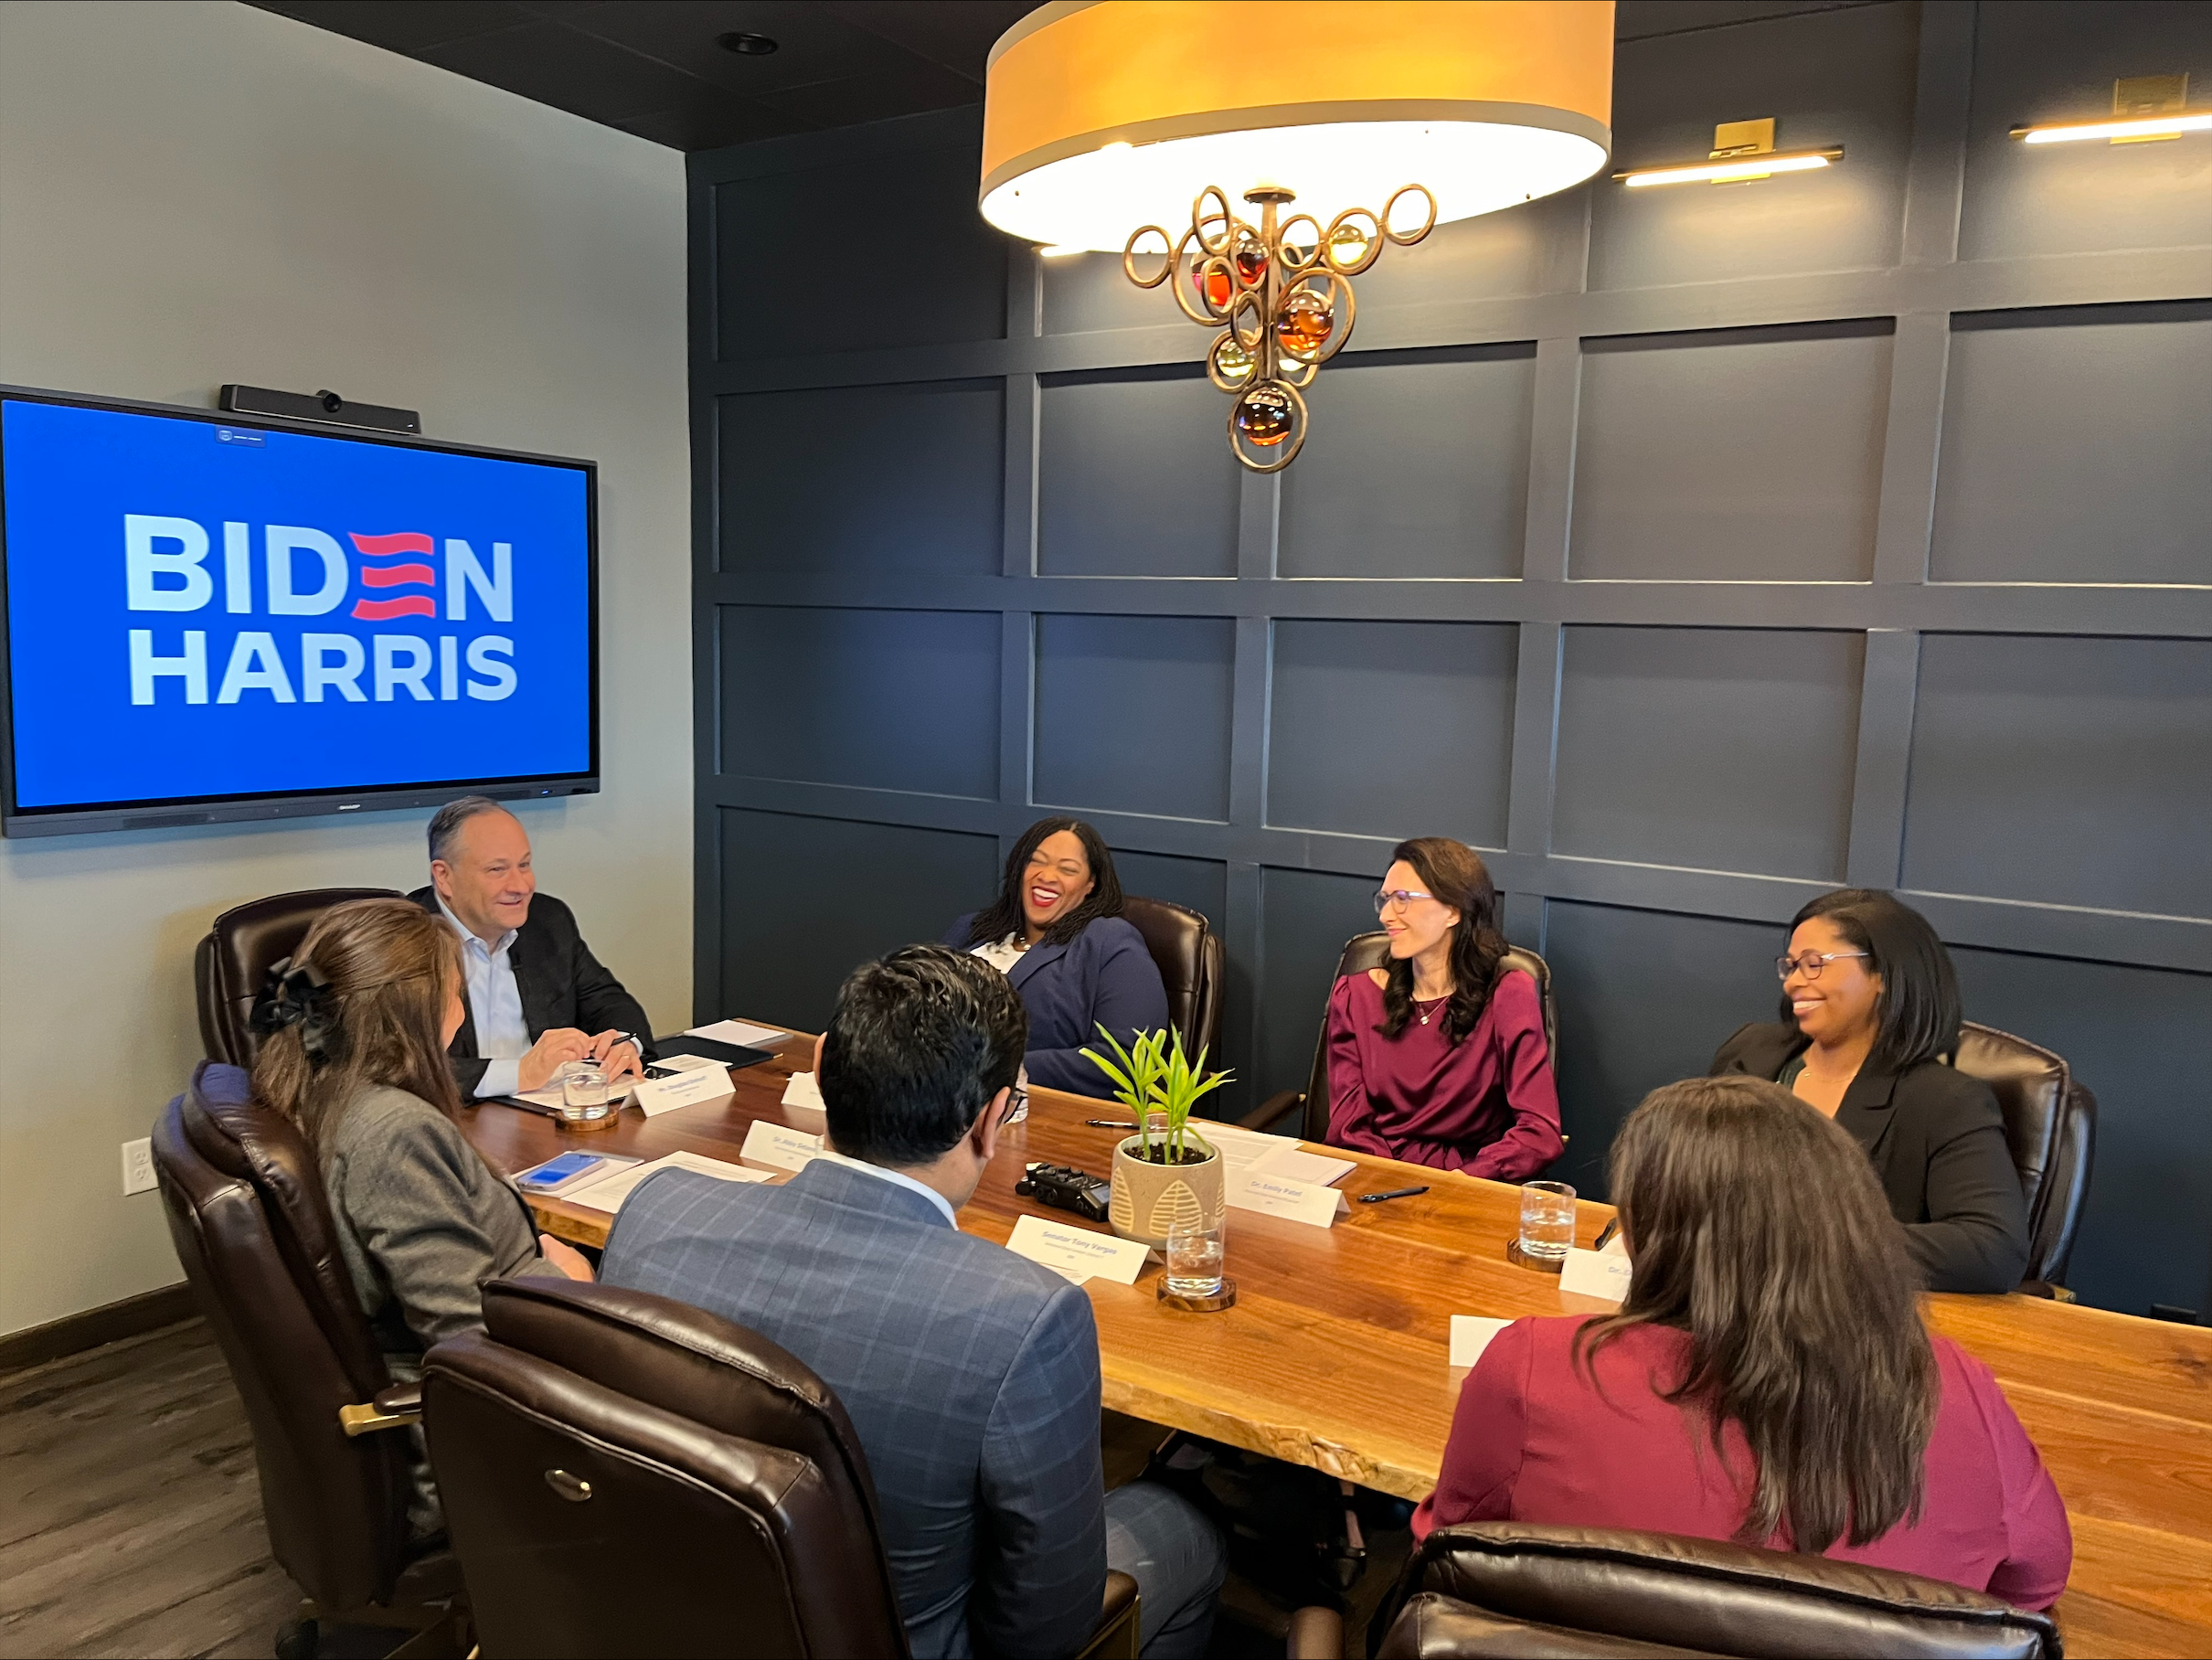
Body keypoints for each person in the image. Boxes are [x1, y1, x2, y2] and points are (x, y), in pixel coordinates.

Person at [600, 945, 1224, 1659]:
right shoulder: (1028, 1317)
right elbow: (1047, 1625)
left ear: (823, 1063)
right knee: (1185, 1527)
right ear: (992, 1119)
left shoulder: (657, 1209)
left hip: (659, 1620)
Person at [1416, 1075, 2071, 1610]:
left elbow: (1447, 1556)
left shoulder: (1531, 1366)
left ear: (1649, 1237)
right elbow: (2031, 1588)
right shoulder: (1956, 1389)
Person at [243, 896, 594, 1535]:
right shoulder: (391, 1135)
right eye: (457, 994)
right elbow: (467, 1340)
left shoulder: (307, 1081)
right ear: (420, 1010)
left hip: (448, 1358)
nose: (461, 1014)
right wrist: (566, 1287)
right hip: (481, 1431)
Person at [1709, 888, 2029, 1294]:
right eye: (1790, 966)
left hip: (1844, 1319)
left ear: (1882, 974)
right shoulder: (1751, 1053)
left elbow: (1992, 1249)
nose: (1793, 983)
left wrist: (1798, 1242)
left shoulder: (1945, 1100)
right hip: (1720, 1296)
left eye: (1814, 964)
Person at [1324, 837, 1561, 1178]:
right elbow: (1349, 1126)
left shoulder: (1508, 994)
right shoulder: (1355, 996)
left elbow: (1540, 1133)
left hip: (1470, 1183)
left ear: (1453, 910)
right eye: (1385, 899)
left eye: (1403, 899)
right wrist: (1386, 1181)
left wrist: (1466, 1180)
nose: (1387, 914)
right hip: (1374, 1180)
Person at [411, 795, 654, 1100]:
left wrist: (621, 1042)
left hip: (548, 1114)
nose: (521, 886)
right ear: (444, 876)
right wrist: (521, 1074)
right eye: (497, 870)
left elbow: (608, 1001)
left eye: (524, 865)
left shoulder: (546, 920)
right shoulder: (402, 940)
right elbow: (392, 1066)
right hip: (454, 1121)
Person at [942, 816, 1171, 1095]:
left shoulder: (1109, 942)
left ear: (1090, 885)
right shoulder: (970, 929)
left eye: (1068, 869)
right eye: (1036, 861)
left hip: (1034, 1109)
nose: (1047, 876)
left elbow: (1127, 1059)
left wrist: (997, 1070)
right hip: (934, 1099)